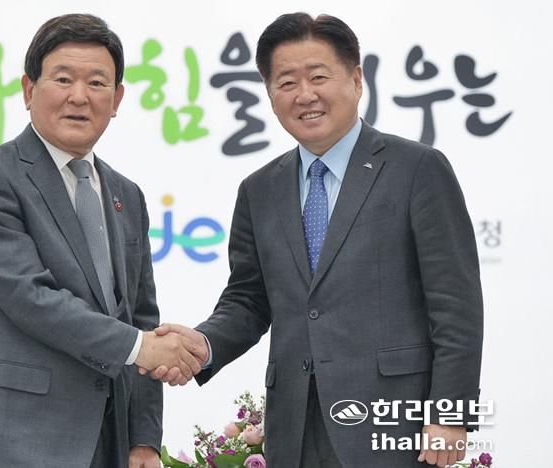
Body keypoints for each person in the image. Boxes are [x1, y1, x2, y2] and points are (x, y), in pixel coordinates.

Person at [150, 12, 483, 468]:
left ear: (357, 80)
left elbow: (456, 305)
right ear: (270, 95)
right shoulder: (259, 189)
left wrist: (451, 415)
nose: (305, 95)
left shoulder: (417, 169)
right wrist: (202, 345)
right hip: (294, 426)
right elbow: (248, 300)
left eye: (319, 77)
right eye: (286, 83)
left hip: (394, 425)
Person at [0, 13, 204, 468]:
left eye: (97, 83)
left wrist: (143, 439)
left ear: (117, 99)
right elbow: (30, 297)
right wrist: (141, 347)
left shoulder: (126, 195)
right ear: (29, 90)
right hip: (11, 440)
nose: (79, 96)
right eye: (63, 79)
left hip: (107, 443)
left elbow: (142, 316)